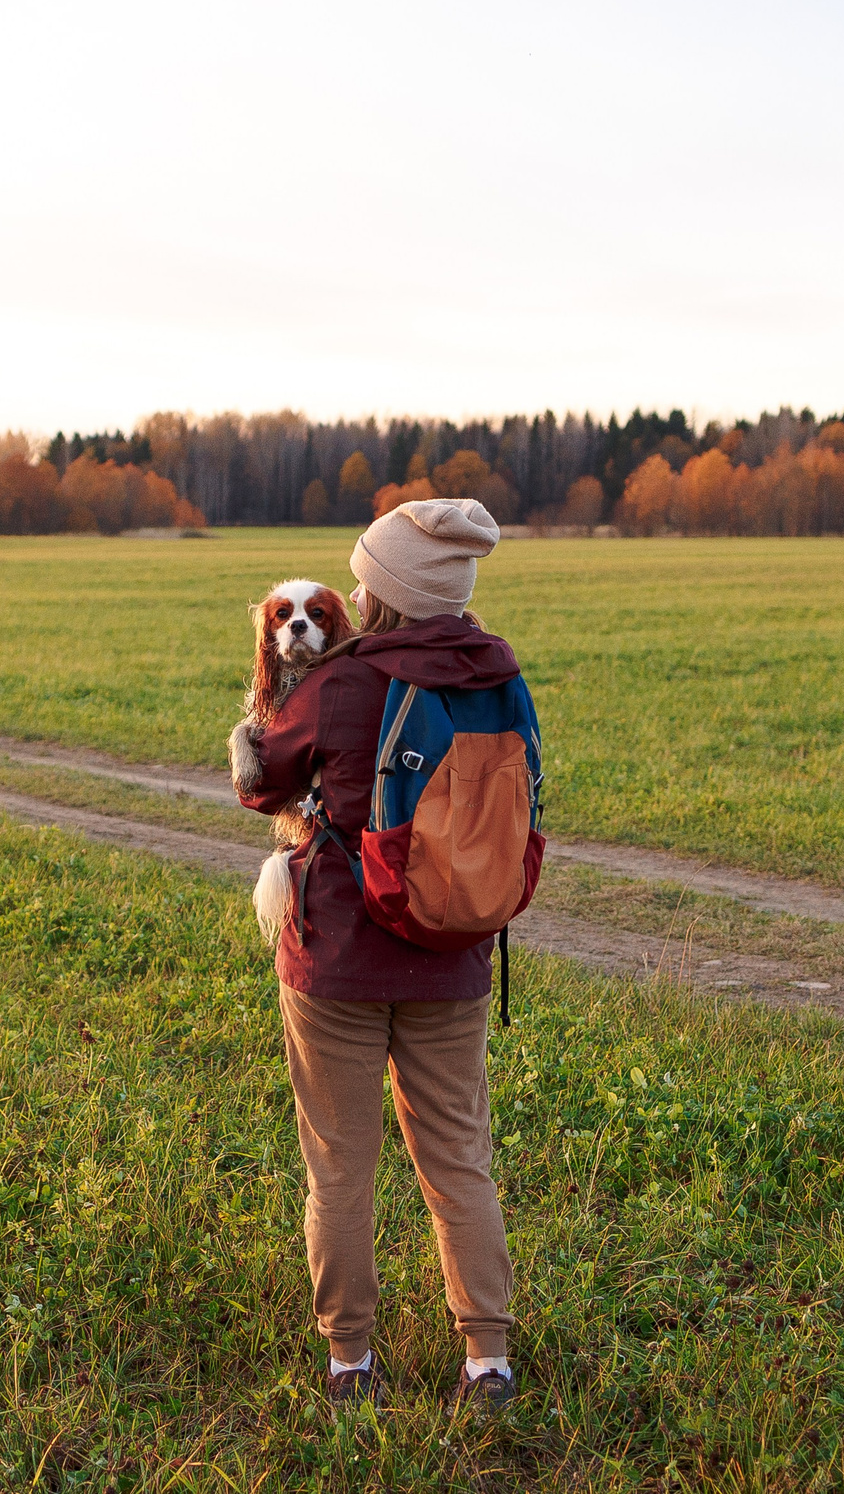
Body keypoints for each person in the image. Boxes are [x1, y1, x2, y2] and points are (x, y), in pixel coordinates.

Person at [230, 496, 523, 1415]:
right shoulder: (497, 672)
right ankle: (486, 1360)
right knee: (459, 1158)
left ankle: (351, 1358)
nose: (353, 591)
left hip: (340, 960)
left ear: (388, 591)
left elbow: (260, 782)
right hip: (454, 950)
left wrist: (254, 730)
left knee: (340, 1164)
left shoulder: (344, 681)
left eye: (363, 578)